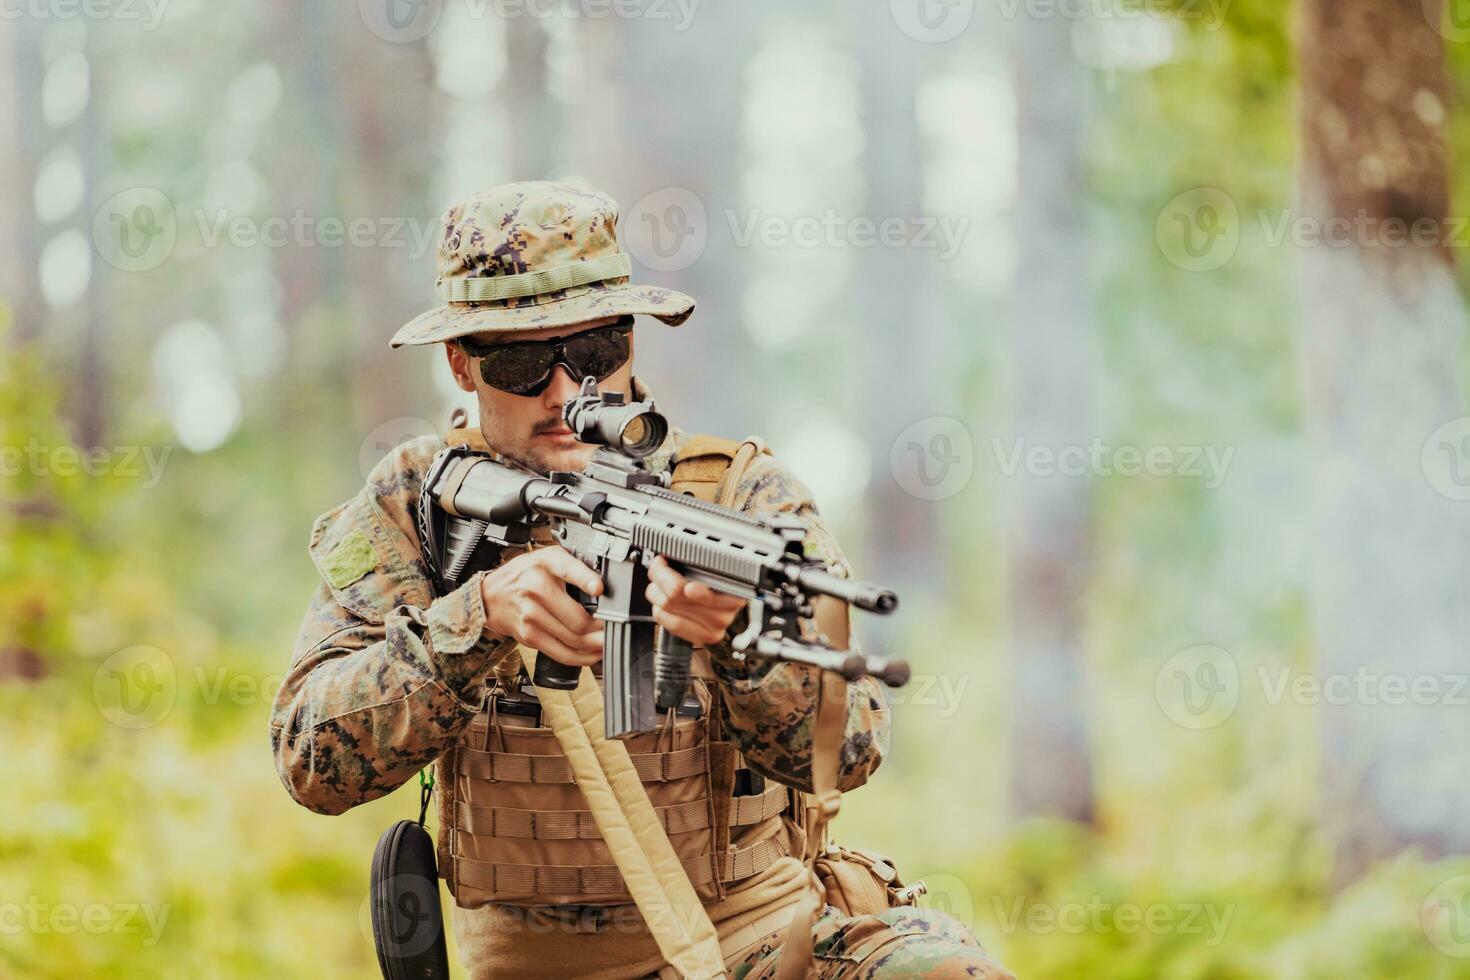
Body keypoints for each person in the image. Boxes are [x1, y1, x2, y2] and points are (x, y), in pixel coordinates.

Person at [270, 180, 1013, 979]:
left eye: (594, 354)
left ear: (630, 340)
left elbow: (854, 748)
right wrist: (475, 619)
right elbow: (309, 757)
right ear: (461, 362)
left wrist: (743, 645)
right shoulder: (413, 501)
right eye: (523, 363)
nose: (566, 395)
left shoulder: (735, 496)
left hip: (751, 941)